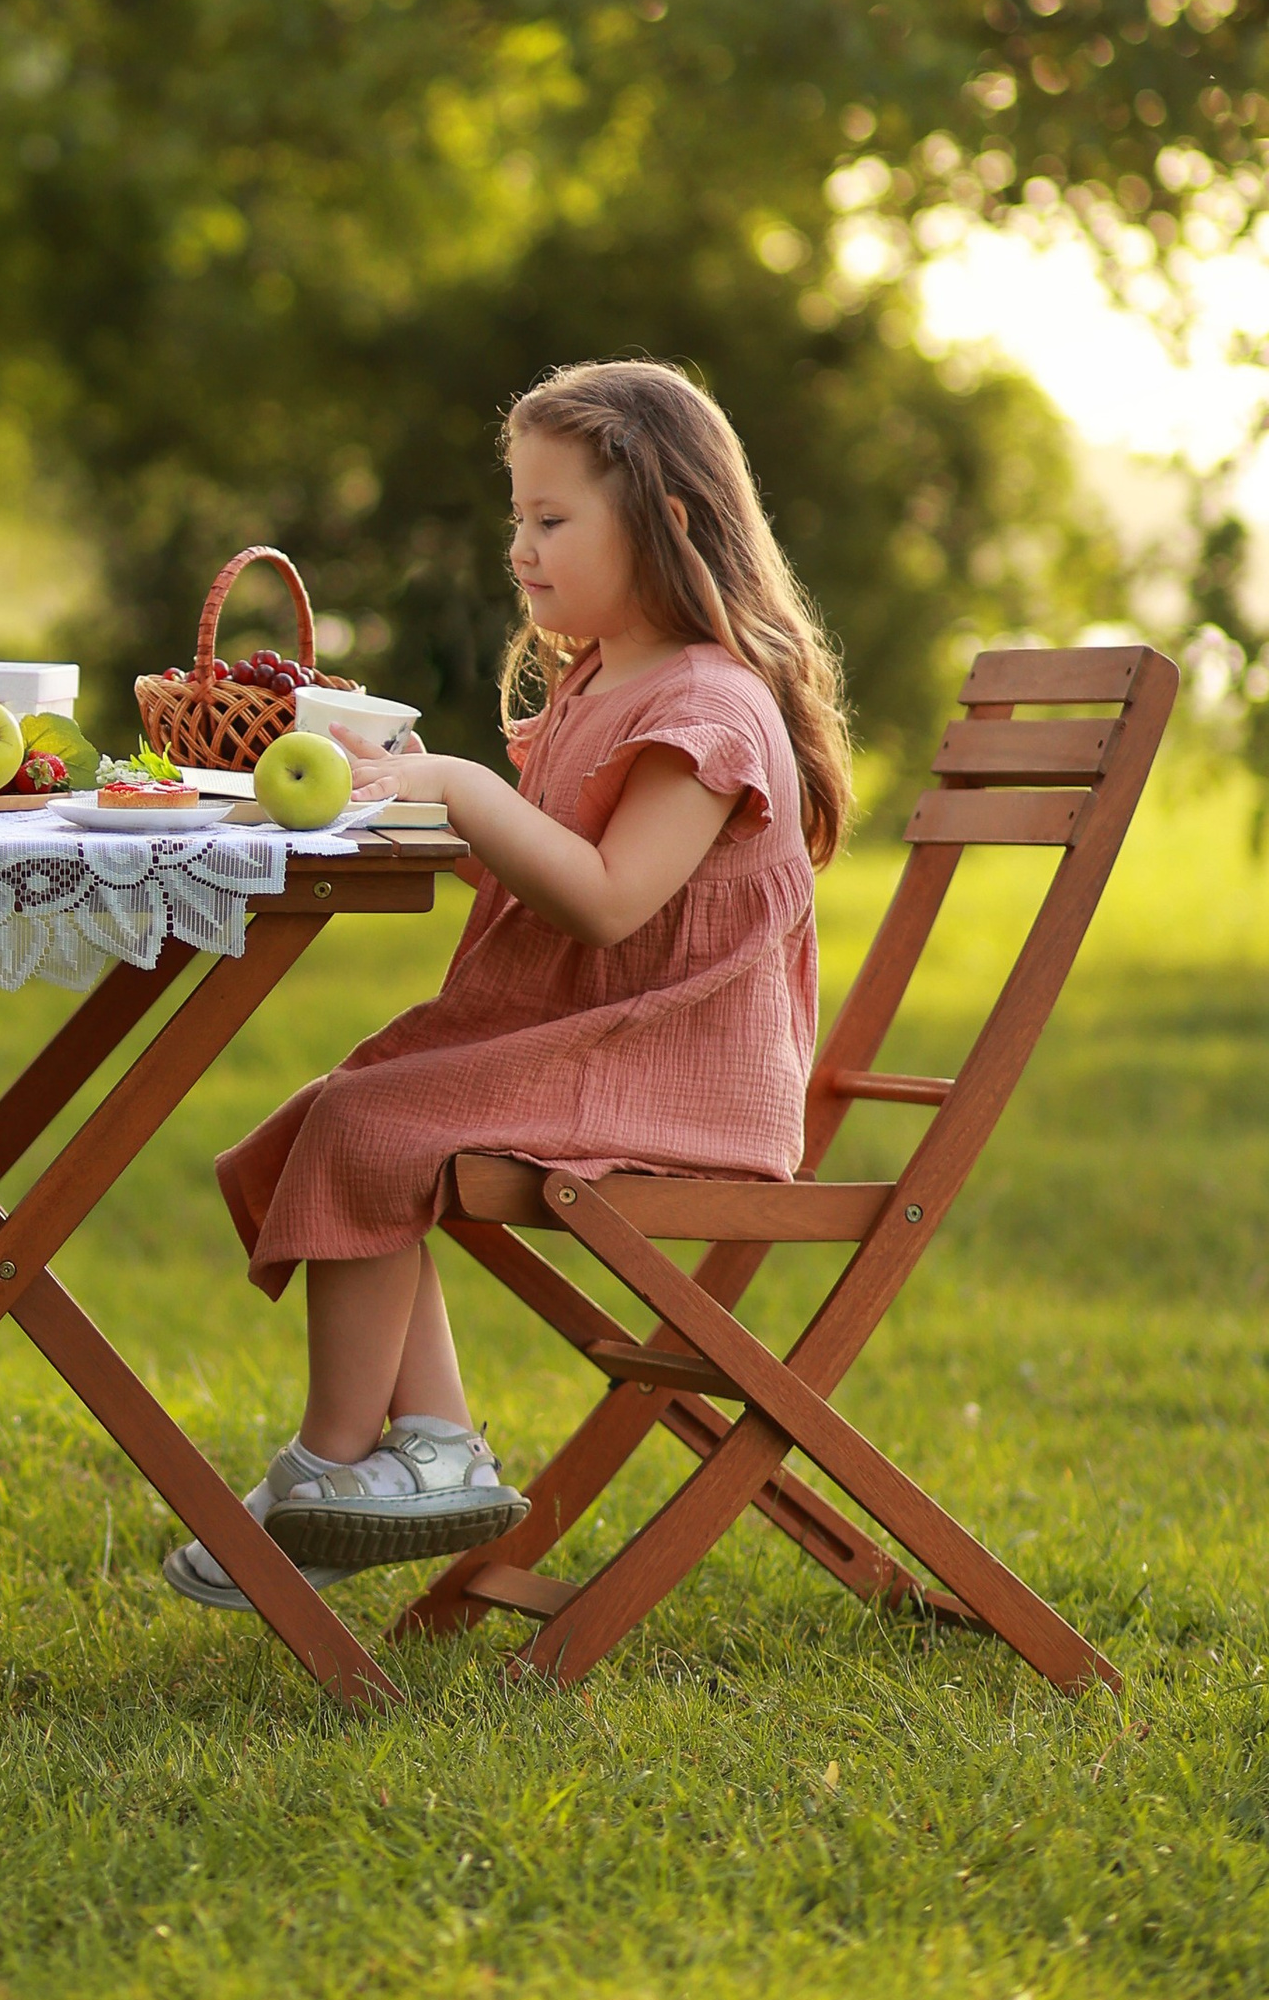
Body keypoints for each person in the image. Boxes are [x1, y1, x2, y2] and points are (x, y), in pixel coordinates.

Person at [165, 357, 849, 1611]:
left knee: (371, 1122)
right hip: (597, 1043)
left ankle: (332, 1461)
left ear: (667, 520)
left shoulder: (708, 705)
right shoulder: (598, 680)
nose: (521, 550)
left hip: (671, 1077)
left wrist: (467, 793)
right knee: (345, 1110)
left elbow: (605, 898)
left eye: (551, 519)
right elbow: (554, 865)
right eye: (515, 519)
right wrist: (428, 785)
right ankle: (428, 1447)